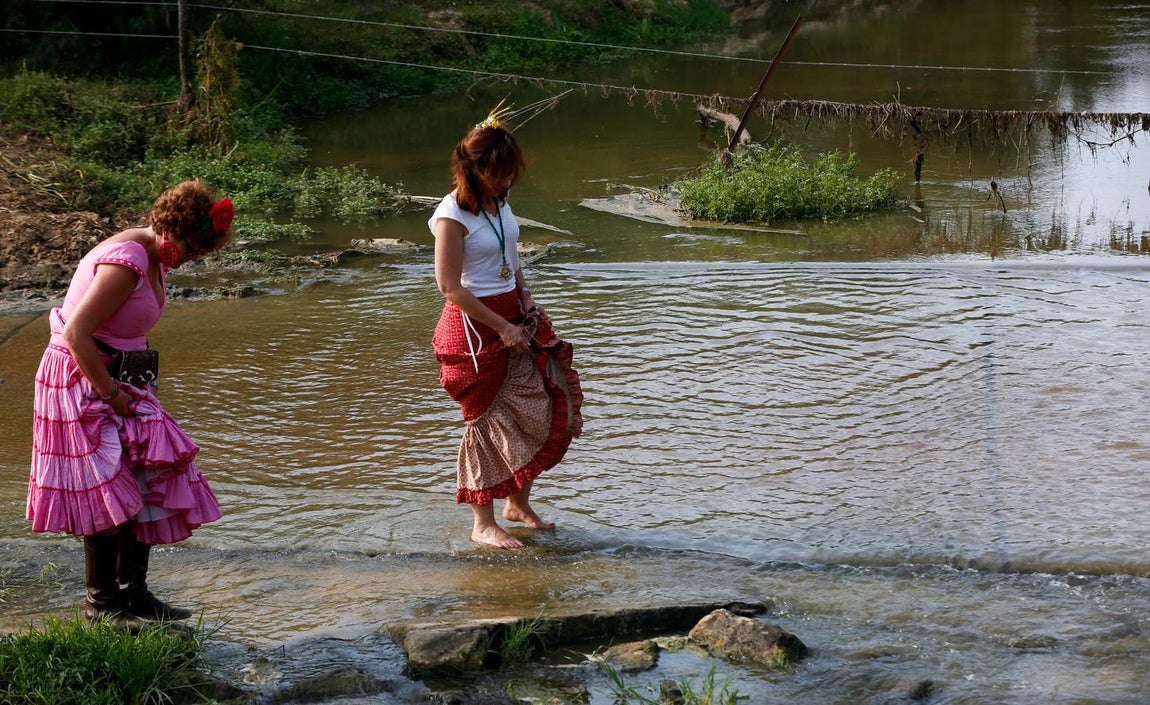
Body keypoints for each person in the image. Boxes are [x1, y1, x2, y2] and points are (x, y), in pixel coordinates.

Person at [26, 178, 233, 628]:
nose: (192, 258)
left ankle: (134, 595)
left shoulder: (154, 255)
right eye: (192, 248)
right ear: (170, 228)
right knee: (107, 488)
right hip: (84, 380)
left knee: (143, 479)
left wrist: (128, 388)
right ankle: (101, 606)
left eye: (201, 253)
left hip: (122, 380)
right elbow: (77, 334)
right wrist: (110, 394)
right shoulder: (128, 260)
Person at [430, 110, 583, 549]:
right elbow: (449, 287)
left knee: (542, 406)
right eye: (498, 175)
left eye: (510, 174)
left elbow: (510, 256)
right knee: (486, 422)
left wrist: (526, 297)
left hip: (513, 315)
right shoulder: (451, 215)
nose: (506, 183)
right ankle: (482, 523)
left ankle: (517, 505)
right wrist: (501, 326)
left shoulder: (500, 202)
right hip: (473, 329)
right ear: (473, 169)